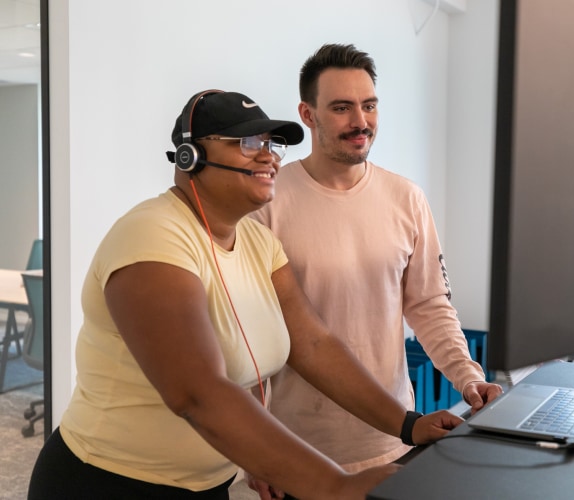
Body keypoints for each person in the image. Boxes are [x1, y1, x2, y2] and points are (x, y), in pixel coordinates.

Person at [26, 89, 463, 500]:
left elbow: (313, 345)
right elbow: (196, 392)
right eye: (248, 142)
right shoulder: (153, 235)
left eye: (273, 144)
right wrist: (335, 486)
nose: (268, 157)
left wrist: (406, 424)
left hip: (207, 484)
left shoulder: (258, 243)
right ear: (190, 155)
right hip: (110, 482)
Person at [249, 43, 503, 493]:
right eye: (342, 108)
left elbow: (429, 305)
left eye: (369, 106)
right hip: (299, 449)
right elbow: (247, 339)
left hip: (396, 437)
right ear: (308, 115)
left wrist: (468, 377)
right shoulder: (268, 203)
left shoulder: (406, 198)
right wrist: (257, 453)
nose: (360, 122)